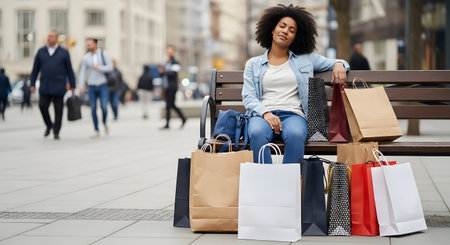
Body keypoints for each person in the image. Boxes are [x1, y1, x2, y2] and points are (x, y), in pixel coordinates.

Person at [243, 4, 349, 163]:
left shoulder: (306, 59)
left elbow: (339, 62)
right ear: (272, 29)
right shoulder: (254, 64)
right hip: (262, 115)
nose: (285, 31)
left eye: (292, 30)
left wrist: (340, 65)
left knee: (296, 135)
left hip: (294, 115)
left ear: (295, 37)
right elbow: (249, 97)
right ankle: (264, 181)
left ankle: (290, 182)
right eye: (282, 26)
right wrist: (266, 113)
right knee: (256, 132)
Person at [30, 30, 76, 139]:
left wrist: (72, 85)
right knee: (42, 106)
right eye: (48, 36)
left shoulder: (64, 52)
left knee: (58, 110)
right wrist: (32, 83)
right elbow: (35, 69)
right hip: (45, 85)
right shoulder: (41, 51)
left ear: (56, 38)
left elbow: (70, 70)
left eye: (51, 36)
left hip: (59, 86)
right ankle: (49, 125)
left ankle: (56, 132)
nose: (49, 38)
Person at [78, 38, 113, 138]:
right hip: (92, 85)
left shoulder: (103, 54)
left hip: (103, 85)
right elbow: (82, 72)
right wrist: (80, 86)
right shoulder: (86, 57)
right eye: (87, 45)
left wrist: (100, 68)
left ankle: (104, 122)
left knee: (104, 107)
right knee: (93, 108)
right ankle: (96, 129)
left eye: (90, 44)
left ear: (95, 44)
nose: (88, 46)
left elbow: (110, 67)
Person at [159, 45, 186, 129]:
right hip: (166, 86)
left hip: (172, 87)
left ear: (174, 52)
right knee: (171, 104)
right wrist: (161, 72)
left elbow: (174, 73)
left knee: (169, 105)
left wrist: (164, 71)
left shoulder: (175, 63)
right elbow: (163, 74)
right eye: (167, 51)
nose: (169, 53)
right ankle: (183, 118)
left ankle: (168, 123)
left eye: (170, 51)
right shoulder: (166, 62)